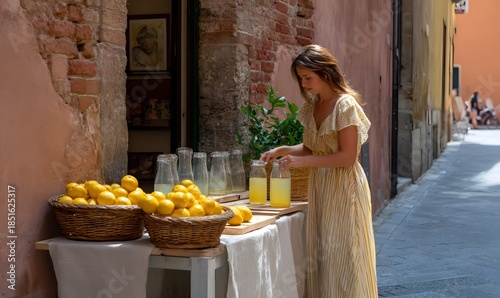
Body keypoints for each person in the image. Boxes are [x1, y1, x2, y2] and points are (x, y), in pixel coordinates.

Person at [260, 45, 378, 297]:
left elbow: (347, 157)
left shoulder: (345, 105)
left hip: (345, 188)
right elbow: (313, 147)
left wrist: (305, 162)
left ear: (325, 72)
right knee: (323, 255)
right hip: (321, 187)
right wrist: (283, 150)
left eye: (307, 78)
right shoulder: (314, 104)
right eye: (301, 79)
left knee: (346, 257)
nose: (304, 85)